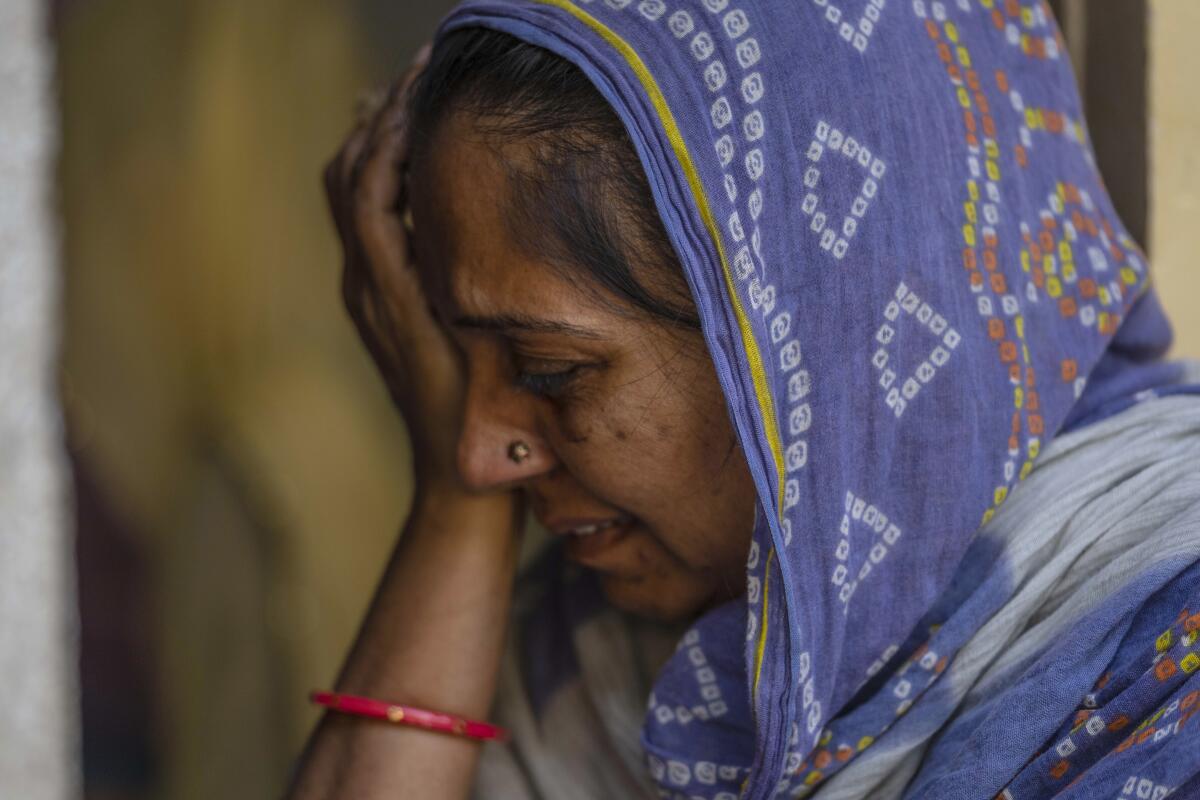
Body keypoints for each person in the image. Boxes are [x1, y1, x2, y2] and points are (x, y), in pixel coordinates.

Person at [287, 1, 1200, 798]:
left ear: (815, 336)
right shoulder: (595, 654)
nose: (478, 448)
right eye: (452, 355)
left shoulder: (1158, 660)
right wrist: (455, 516)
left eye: (550, 369)